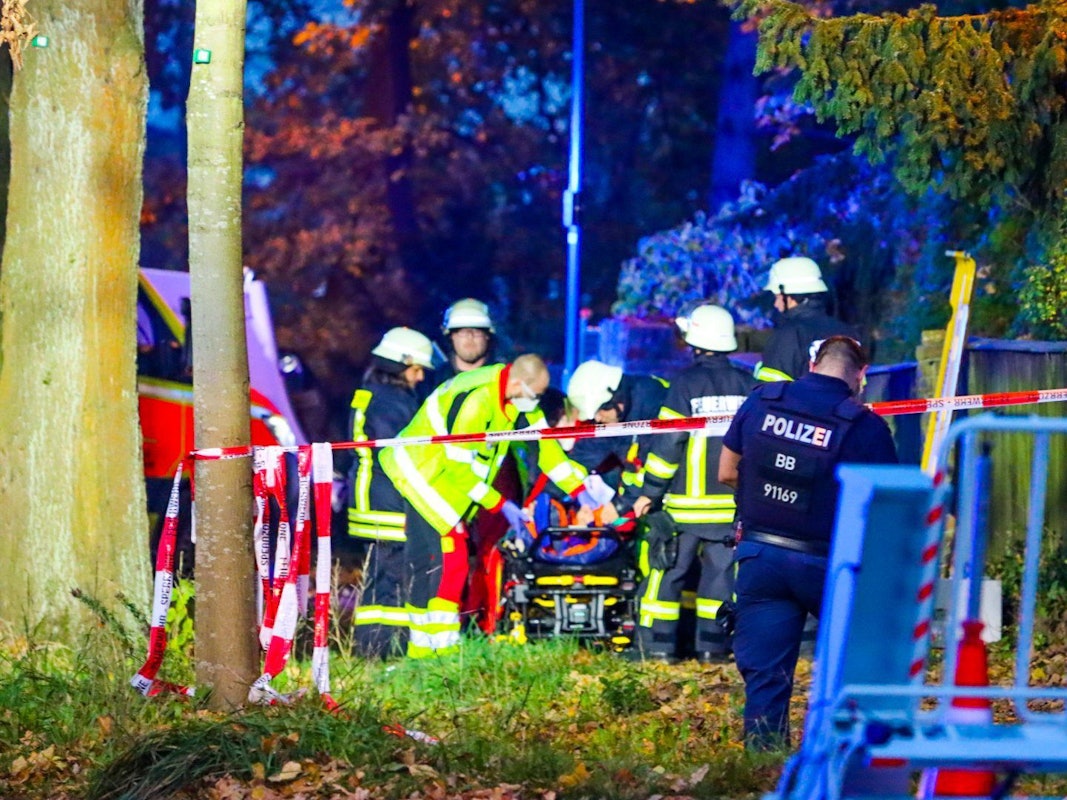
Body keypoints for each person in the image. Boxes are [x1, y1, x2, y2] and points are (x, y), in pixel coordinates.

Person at [719, 335, 898, 749]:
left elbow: (727, 471)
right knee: (851, 662)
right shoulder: (863, 425)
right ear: (862, 375)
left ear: (812, 363)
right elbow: (885, 500)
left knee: (766, 673)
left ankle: (764, 762)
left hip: (761, 557)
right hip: (828, 564)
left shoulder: (762, 400)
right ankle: (845, 755)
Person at [379, 354, 605, 658]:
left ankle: (439, 648)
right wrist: (501, 505)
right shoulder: (477, 400)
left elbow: (549, 452)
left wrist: (581, 492)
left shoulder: (518, 397)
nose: (536, 401)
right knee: (445, 561)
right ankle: (429, 651)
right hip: (423, 471)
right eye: (535, 394)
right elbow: (458, 467)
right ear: (516, 382)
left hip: (447, 479)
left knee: (451, 562)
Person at [630, 304, 755, 663]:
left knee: (666, 574)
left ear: (694, 342)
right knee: (720, 580)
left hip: (684, 510)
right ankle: (712, 651)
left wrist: (649, 493)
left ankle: (658, 650)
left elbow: (668, 445)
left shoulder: (683, 386)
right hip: (729, 508)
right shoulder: (749, 385)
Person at [347, 327, 436, 657]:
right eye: (417, 369)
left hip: (369, 493)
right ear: (401, 364)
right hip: (386, 496)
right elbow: (401, 453)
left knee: (380, 574)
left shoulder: (369, 393)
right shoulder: (392, 402)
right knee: (393, 576)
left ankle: (373, 646)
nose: (420, 376)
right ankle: (386, 648)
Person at [565, 360, 669, 498]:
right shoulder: (618, 415)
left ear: (615, 398)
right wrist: (549, 492)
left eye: (599, 411)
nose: (597, 419)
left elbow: (659, 464)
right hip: (640, 505)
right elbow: (585, 454)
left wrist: (621, 505)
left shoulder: (654, 403)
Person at [754, 256, 861, 383]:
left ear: (791, 296)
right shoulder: (848, 333)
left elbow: (770, 393)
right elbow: (860, 387)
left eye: (777, 296)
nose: (776, 304)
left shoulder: (787, 336)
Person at [439, 297, 495, 379]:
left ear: (487, 336)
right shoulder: (432, 381)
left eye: (477, 331)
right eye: (462, 331)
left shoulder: (504, 379)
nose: (470, 336)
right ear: (451, 336)